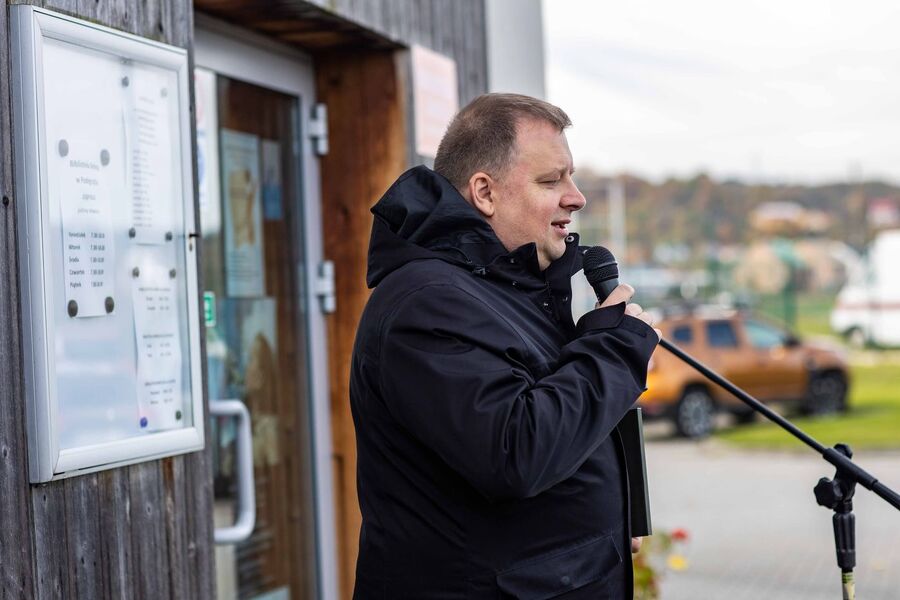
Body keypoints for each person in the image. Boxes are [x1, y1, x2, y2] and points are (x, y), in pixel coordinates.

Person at [350, 93, 660, 599]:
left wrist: (616, 517)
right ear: (484, 193)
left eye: (571, 176)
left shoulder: (510, 292)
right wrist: (614, 350)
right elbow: (515, 450)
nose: (576, 197)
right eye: (550, 180)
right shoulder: (428, 304)